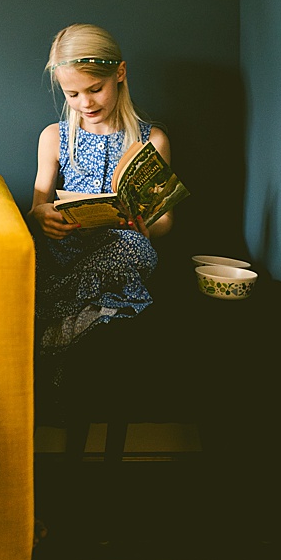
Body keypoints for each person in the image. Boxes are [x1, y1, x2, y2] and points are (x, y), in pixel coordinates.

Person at [28, 24, 174, 388]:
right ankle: (84, 316)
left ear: (119, 73)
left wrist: (146, 224)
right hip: (68, 249)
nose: (86, 103)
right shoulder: (54, 136)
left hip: (124, 250)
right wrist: (42, 217)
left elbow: (167, 220)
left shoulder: (151, 139)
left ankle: (54, 328)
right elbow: (37, 207)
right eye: (72, 93)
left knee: (135, 247)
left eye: (95, 89)